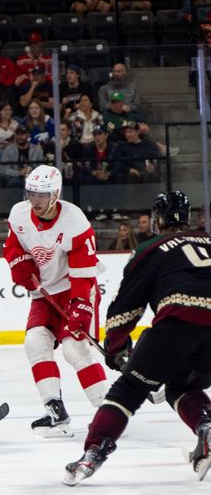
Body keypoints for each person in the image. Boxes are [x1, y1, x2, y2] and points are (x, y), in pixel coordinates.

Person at [63, 191, 211, 485]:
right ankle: (206, 424)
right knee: (181, 384)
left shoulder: (151, 248)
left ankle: (94, 451)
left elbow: (126, 306)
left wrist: (116, 346)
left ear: (157, 221)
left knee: (128, 390)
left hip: (180, 322)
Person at [3, 166, 108, 438]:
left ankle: (108, 412)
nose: (35, 200)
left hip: (76, 288)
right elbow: (13, 246)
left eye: (42, 194)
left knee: (74, 349)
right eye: (31, 193)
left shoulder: (75, 221)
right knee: (35, 342)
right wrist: (20, 263)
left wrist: (81, 308)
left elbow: (83, 275)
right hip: (44, 294)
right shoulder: (19, 214)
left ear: (56, 194)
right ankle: (55, 411)